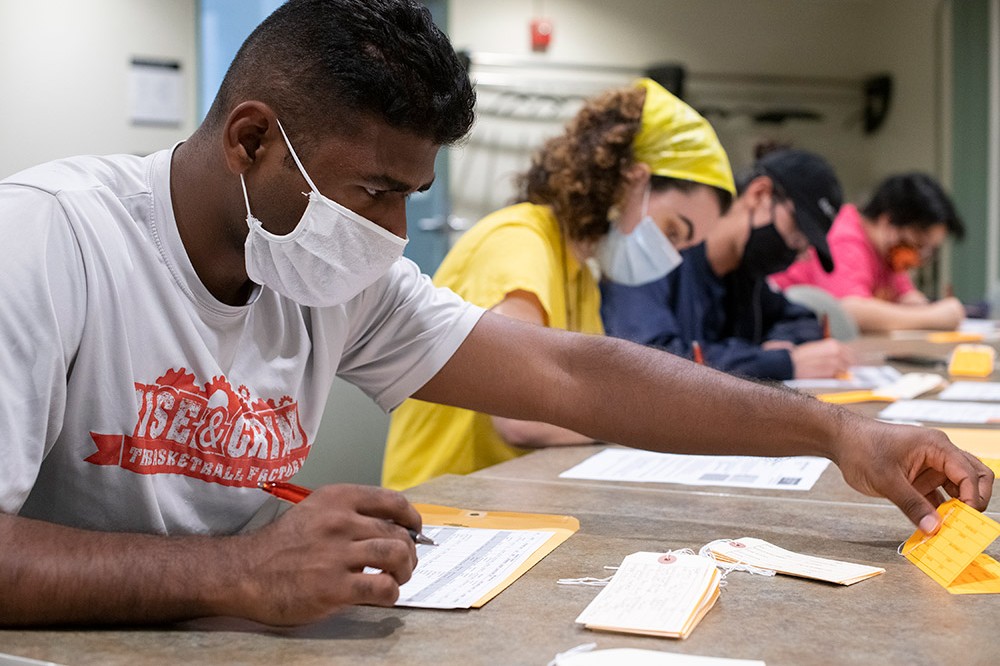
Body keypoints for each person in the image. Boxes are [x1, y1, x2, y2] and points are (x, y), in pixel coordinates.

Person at [0, 0, 990, 629]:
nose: (391, 233)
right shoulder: (48, 243)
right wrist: (231, 572)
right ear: (252, 141)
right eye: (375, 192)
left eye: (409, 198)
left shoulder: (331, 277)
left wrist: (836, 432)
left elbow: (572, 375)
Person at [382, 78, 736, 490]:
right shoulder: (519, 243)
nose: (669, 258)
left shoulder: (580, 274)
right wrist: (651, 423)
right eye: (673, 231)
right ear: (630, 179)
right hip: (440, 509)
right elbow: (521, 421)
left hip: (506, 498)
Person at [601, 149, 854, 381]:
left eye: (803, 246)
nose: (795, 252)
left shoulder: (744, 276)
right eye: (796, 235)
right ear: (760, 194)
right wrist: (778, 363)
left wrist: (781, 342)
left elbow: (801, 319)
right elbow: (646, 357)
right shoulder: (658, 255)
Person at [771, 172, 966, 333]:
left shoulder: (887, 253)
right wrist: (933, 317)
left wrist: (923, 307)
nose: (920, 256)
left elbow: (907, 298)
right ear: (888, 220)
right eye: (919, 243)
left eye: (929, 250)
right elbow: (850, 309)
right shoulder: (845, 237)